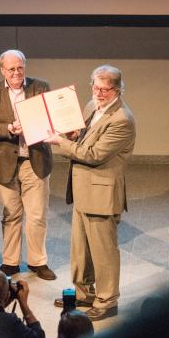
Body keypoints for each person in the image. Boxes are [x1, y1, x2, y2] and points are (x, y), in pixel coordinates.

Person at [46, 65, 136, 321]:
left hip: (101, 193)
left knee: (103, 251)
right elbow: (84, 138)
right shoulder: (90, 106)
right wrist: (74, 134)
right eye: (95, 87)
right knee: (80, 249)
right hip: (83, 190)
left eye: (104, 89)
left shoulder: (122, 119)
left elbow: (93, 155)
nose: (98, 93)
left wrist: (60, 142)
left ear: (117, 90)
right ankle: (84, 293)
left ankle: (107, 300)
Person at [0, 49, 56, 281]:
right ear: (2, 69)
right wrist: (9, 129)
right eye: (11, 69)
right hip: (5, 161)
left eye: (20, 67)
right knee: (11, 214)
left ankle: (37, 262)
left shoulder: (40, 87)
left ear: (25, 66)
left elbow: (51, 118)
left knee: (36, 215)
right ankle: (11, 262)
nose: (16, 72)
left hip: (35, 160)